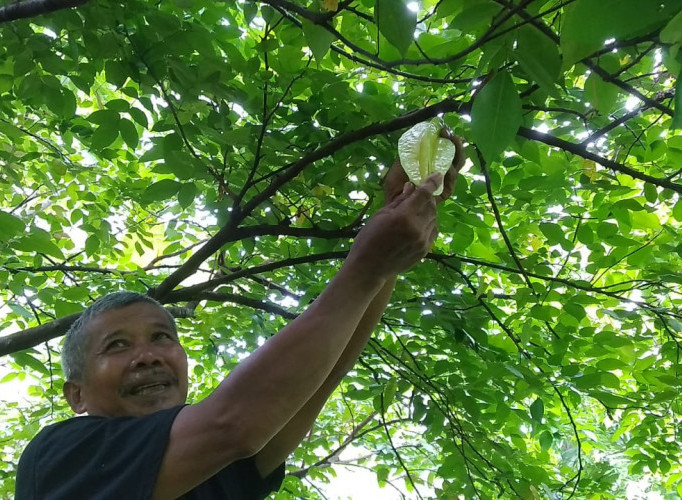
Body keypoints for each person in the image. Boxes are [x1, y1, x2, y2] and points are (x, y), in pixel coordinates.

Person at [15, 135, 464, 499]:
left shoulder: (215, 474)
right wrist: (366, 265)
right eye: (117, 345)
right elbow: (234, 422)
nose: (148, 356)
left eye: (161, 337)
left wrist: (399, 219)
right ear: (76, 396)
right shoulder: (56, 460)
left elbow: (318, 381)